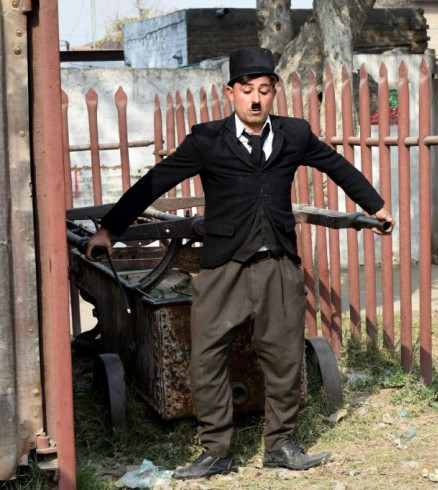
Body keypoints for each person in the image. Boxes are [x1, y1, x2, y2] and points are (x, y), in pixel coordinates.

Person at [85, 46, 393, 480]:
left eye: (263, 91)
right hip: (222, 265)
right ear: (230, 93)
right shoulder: (206, 140)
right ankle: (217, 451)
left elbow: (336, 166)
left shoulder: (295, 134)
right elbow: (154, 181)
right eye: (246, 90)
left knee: (284, 355)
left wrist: (375, 205)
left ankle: (281, 444)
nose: (255, 99)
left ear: (274, 94)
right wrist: (109, 230)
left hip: (279, 264)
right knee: (206, 356)